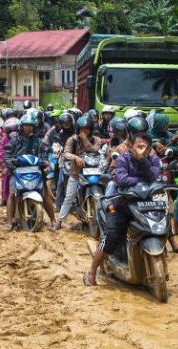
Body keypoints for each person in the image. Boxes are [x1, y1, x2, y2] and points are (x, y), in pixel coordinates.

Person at [85, 132, 160, 286]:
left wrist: (143, 160)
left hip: (146, 204)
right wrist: (142, 180)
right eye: (139, 146)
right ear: (131, 146)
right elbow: (121, 179)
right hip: (121, 205)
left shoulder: (153, 159)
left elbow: (154, 178)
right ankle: (91, 271)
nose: (141, 149)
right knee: (112, 235)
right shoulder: (122, 159)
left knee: (161, 226)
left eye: (145, 147)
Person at [4, 114, 58, 230]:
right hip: (17, 172)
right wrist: (13, 169)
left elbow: (45, 157)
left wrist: (45, 164)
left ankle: (53, 220)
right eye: (26, 126)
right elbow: (7, 157)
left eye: (31, 126)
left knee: (44, 194)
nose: (28, 128)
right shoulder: (14, 141)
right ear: (21, 127)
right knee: (12, 194)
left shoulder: (39, 142)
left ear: (34, 127)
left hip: (36, 172)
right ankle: (9, 220)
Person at [55, 115, 102, 229]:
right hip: (76, 172)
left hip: (94, 171)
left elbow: (93, 150)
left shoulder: (96, 139)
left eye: (87, 128)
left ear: (91, 128)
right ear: (78, 129)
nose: (84, 130)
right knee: (69, 196)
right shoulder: (72, 140)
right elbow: (66, 153)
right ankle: (60, 221)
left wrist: (85, 139)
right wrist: (76, 158)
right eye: (82, 128)